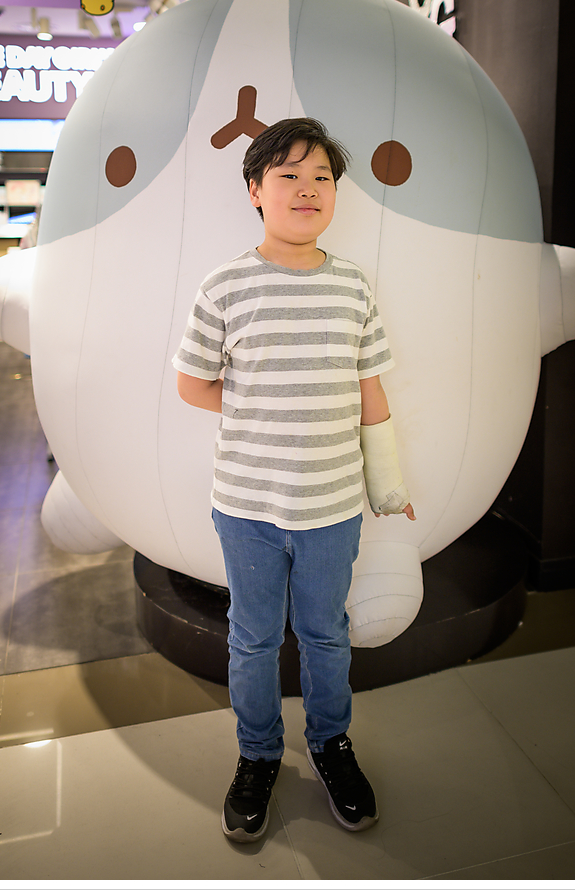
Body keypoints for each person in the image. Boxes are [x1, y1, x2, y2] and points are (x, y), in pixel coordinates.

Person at [173, 118, 415, 843]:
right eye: (288, 176)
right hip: (245, 507)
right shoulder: (225, 285)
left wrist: (388, 483)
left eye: (322, 178)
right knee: (251, 639)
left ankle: (331, 744)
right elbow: (192, 384)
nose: (307, 189)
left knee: (326, 635)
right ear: (255, 189)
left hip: (333, 507)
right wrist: (262, 406)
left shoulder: (352, 286)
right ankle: (257, 755)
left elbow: (370, 391)